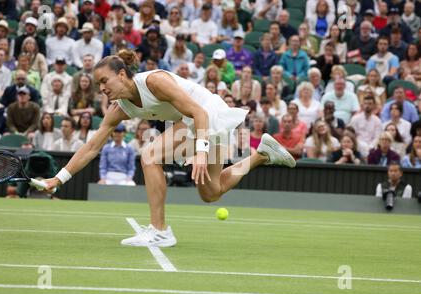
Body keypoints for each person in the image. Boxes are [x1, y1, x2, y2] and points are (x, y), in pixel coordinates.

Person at [43, 50, 296, 247]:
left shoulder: (154, 82)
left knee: (150, 155)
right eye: (98, 84)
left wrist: (200, 151)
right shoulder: (120, 107)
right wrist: (58, 178)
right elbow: (91, 147)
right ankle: (261, 154)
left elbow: (198, 112)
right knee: (211, 193)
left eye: (104, 81)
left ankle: (160, 230)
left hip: (208, 115)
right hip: (200, 122)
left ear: (121, 74)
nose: (101, 88)